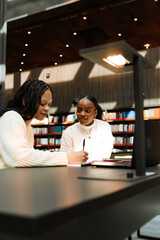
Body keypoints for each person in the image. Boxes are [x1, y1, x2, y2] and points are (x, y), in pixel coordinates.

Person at [0, 79, 88, 169]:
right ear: (25, 100)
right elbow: (19, 158)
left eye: (49, 104)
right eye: (43, 103)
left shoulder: (27, 125)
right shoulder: (12, 117)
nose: (47, 108)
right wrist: (67, 158)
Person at [60, 96, 114, 162]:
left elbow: (106, 152)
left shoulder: (104, 127)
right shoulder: (69, 132)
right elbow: (66, 156)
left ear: (95, 113)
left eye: (87, 111)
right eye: (79, 110)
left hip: (99, 168)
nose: (82, 114)